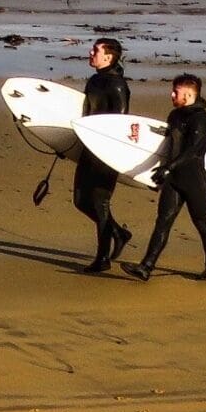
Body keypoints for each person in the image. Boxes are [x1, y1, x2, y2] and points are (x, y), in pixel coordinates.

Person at [124, 74, 206, 281]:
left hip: (194, 180)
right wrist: (157, 172)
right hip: (173, 178)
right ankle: (146, 267)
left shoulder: (202, 119)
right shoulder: (174, 116)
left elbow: (194, 151)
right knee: (163, 222)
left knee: (202, 223)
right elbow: (167, 148)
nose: (172, 94)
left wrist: (168, 168)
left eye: (176, 92)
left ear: (188, 94)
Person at [74, 37, 135, 272]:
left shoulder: (117, 85)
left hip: (108, 150)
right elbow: (86, 115)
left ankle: (102, 258)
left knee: (100, 204)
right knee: (80, 200)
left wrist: (110, 152)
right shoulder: (93, 81)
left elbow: (121, 121)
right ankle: (119, 233)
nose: (91, 53)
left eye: (96, 50)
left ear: (109, 57)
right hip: (89, 147)